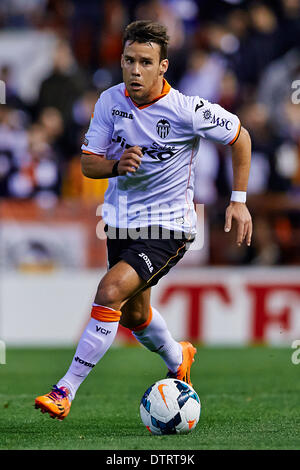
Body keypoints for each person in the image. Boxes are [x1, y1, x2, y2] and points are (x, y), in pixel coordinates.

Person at [34, 20, 252, 420]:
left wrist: (239, 200)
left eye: (146, 62)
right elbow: (87, 164)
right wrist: (116, 166)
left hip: (170, 227)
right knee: (134, 315)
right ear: (120, 61)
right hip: (119, 222)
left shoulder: (189, 110)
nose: (136, 70)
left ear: (163, 66)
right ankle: (178, 354)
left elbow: (241, 137)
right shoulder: (108, 102)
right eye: (130, 61)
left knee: (110, 290)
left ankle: (65, 389)